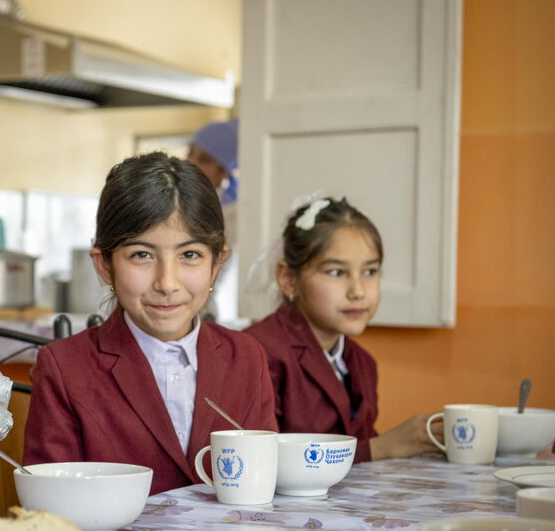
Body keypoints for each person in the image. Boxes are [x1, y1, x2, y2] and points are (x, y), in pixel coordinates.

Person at [23, 152, 278, 495]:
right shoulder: (66, 368)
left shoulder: (246, 357)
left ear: (216, 264)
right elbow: (49, 507)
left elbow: (263, 486)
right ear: (104, 266)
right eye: (142, 255)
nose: (167, 282)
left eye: (190, 255)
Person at [244, 197, 441, 463]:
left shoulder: (362, 363)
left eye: (370, 271)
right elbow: (262, 463)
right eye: (337, 273)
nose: (358, 291)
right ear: (289, 279)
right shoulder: (257, 354)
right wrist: (382, 447)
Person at [186, 118, 240, 322]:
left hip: (203, 316)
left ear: (223, 171)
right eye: (190, 152)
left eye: (204, 160)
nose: (191, 162)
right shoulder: (173, 201)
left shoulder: (232, 216)